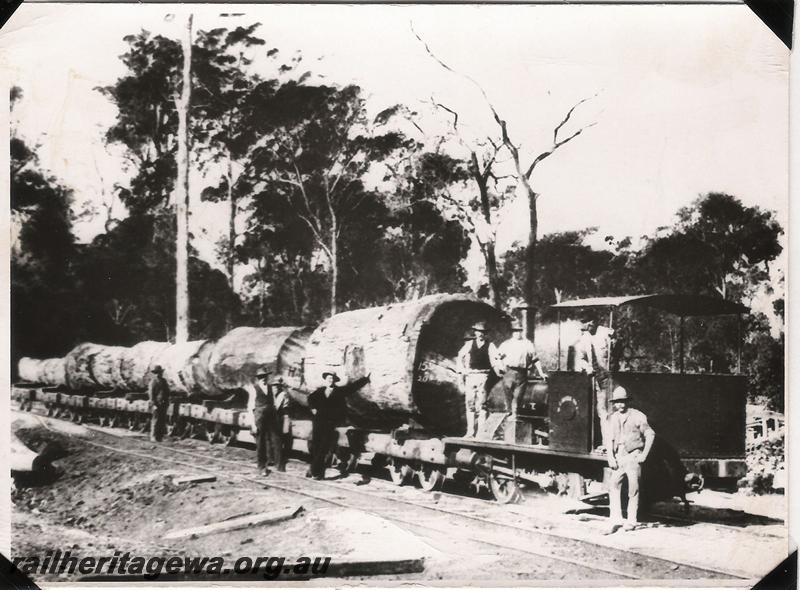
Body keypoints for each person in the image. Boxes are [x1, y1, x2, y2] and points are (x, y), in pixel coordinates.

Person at [605, 386, 655, 533]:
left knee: (633, 490)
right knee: (613, 486)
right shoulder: (613, 417)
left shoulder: (638, 416)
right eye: (617, 402)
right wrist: (610, 457)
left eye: (622, 402)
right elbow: (609, 438)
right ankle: (616, 519)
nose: (619, 405)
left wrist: (644, 454)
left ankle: (631, 521)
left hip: (633, 456)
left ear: (627, 402)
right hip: (619, 456)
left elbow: (650, 434)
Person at [307, 371, 370, 480]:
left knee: (323, 449)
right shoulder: (320, 391)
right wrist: (313, 408)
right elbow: (310, 398)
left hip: (330, 424)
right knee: (316, 447)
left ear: (335, 380)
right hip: (318, 423)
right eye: (328, 378)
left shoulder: (339, 391)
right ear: (325, 379)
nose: (330, 380)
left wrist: (365, 379)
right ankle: (318, 473)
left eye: (332, 378)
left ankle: (314, 471)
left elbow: (352, 388)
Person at [457, 322, 500, 437]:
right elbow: (460, 356)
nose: (480, 334)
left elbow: (495, 361)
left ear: (486, 334)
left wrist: (500, 371)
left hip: (484, 377)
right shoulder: (469, 344)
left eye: (483, 332)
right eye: (478, 332)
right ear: (475, 332)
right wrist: (462, 371)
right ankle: (470, 432)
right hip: (471, 377)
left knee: (482, 405)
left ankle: (481, 433)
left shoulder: (490, 346)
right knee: (470, 404)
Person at [496, 321, 547, 416]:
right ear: (512, 332)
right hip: (509, 373)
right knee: (508, 400)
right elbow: (498, 357)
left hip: (521, 374)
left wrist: (541, 372)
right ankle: (509, 418)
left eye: (519, 330)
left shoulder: (527, 344)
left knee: (517, 399)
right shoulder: (506, 344)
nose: (518, 333)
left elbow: (535, 359)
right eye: (515, 331)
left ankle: (514, 418)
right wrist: (501, 367)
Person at [574, 312, 614, 422]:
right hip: (597, 380)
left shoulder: (606, 333)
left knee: (613, 409)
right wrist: (587, 367)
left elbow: (617, 351)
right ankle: (606, 438)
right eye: (583, 322)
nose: (584, 325)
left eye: (586, 322)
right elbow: (580, 358)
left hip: (611, 377)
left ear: (593, 322)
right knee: (602, 410)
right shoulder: (584, 338)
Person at [252, 369, 281, 476]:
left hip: (271, 416)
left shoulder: (270, 388)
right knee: (261, 442)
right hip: (259, 417)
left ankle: (277, 464)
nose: (263, 378)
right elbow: (250, 406)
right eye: (261, 377)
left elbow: (274, 402)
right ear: (258, 378)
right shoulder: (254, 389)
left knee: (275, 438)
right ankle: (261, 466)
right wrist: (253, 424)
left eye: (265, 376)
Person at [272, 376, 293, 472]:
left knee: (278, 442)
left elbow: (277, 408)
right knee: (276, 442)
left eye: (276, 386)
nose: (275, 388)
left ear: (280, 387)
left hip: (282, 419)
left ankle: (280, 465)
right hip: (278, 419)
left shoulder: (283, 395)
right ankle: (276, 462)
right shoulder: (275, 395)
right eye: (273, 386)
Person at [148, 365, 169, 442]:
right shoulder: (153, 382)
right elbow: (151, 394)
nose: (159, 374)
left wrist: (167, 401)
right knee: (156, 420)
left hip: (163, 403)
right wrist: (153, 404)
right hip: (156, 403)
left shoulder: (164, 381)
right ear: (155, 374)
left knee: (162, 420)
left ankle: (160, 437)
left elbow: (167, 392)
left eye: (160, 373)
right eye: (157, 373)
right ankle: (153, 436)